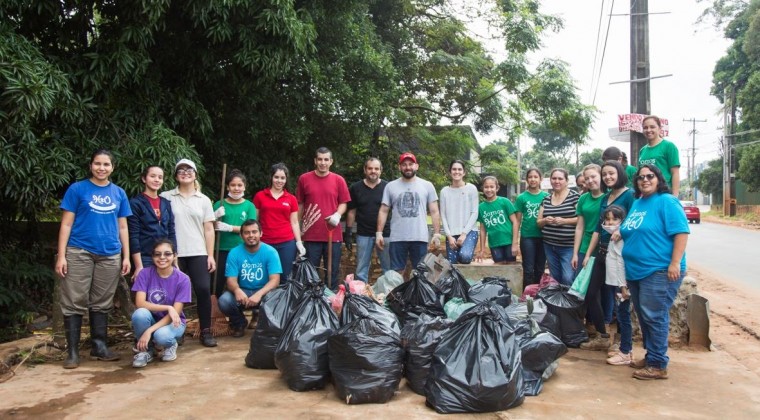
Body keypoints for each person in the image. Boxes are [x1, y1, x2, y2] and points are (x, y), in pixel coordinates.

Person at [55, 150, 132, 369]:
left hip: (110, 253)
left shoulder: (118, 193)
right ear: (90, 166)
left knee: (102, 301)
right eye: (97, 164)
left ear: (112, 167)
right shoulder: (77, 189)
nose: (101, 168)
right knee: (74, 300)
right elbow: (66, 224)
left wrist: (126, 256)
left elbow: (123, 226)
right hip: (79, 251)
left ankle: (100, 347)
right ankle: (72, 352)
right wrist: (62, 256)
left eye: (106, 164)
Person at [620, 164, 689, 380]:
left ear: (658, 178)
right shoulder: (639, 203)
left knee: (655, 316)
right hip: (636, 271)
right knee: (644, 316)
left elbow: (681, 232)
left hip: (659, 270)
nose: (645, 180)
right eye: (640, 177)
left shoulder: (666, 201)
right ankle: (652, 356)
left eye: (650, 176)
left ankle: (658, 364)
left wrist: (675, 263)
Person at [578, 161, 635, 353]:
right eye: (604, 175)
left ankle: (621, 339)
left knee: (620, 296)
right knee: (590, 293)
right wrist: (587, 255)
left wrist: (623, 231)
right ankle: (602, 336)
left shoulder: (630, 195)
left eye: (611, 173)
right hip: (601, 251)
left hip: (619, 253)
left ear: (619, 173)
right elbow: (596, 228)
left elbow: (635, 221)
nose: (607, 177)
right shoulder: (606, 197)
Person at [160, 159, 218, 348]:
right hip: (172, 253)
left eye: (189, 169)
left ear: (195, 174)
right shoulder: (166, 197)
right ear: (176, 175)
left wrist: (210, 255)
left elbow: (209, 229)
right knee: (173, 293)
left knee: (202, 289)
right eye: (180, 170)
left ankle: (206, 331)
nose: (185, 172)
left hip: (198, 251)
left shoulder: (204, 200)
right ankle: (175, 330)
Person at [376, 152, 441, 273]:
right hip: (397, 238)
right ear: (399, 167)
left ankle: (418, 293)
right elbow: (383, 211)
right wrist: (379, 233)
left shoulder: (427, 185)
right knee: (396, 272)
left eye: (411, 164)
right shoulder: (390, 186)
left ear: (416, 166)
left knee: (421, 272)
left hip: (420, 237)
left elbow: (434, 211)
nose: (408, 167)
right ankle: (399, 292)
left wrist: (437, 234)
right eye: (404, 164)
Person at [131, 239, 191, 368]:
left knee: (161, 335)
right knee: (139, 314)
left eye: (167, 254)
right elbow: (140, 303)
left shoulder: (183, 279)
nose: (162, 257)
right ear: (152, 257)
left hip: (173, 322)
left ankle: (171, 344)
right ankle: (146, 351)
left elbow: (174, 314)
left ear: (175, 256)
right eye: (157, 254)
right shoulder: (144, 274)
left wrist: (149, 331)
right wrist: (168, 307)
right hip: (151, 319)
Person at [296, 147, 351, 290]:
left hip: (333, 234)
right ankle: (311, 303)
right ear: (315, 161)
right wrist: (297, 229)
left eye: (326, 159)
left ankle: (331, 304)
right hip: (311, 235)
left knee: (332, 273)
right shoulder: (304, 179)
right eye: (320, 159)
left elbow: (344, 203)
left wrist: (337, 215)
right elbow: (300, 204)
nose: (322, 162)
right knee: (310, 273)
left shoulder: (339, 180)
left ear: (331, 161)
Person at [218, 220, 282, 337]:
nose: (251, 235)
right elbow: (230, 280)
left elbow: (275, 280)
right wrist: (237, 290)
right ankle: (239, 323)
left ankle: (265, 325)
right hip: (243, 291)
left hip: (264, 292)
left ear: (261, 233)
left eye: (254, 232)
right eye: (247, 233)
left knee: (279, 299)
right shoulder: (234, 253)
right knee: (224, 301)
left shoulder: (271, 252)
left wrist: (259, 294)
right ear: (241, 235)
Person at [254, 163, 304, 283]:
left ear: (286, 180)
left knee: (285, 276)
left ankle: (283, 301)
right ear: (271, 177)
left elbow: (295, 222)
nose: (279, 180)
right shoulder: (260, 196)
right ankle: (264, 301)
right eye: (276, 177)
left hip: (286, 243)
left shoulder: (291, 198)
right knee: (265, 275)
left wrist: (299, 242)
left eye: (282, 178)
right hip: (265, 242)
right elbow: (254, 221)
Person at [213, 169, 257, 297]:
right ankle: (216, 309)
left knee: (239, 281)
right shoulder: (219, 204)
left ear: (244, 186)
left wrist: (230, 228)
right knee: (217, 281)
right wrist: (214, 217)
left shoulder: (249, 206)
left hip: (241, 249)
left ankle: (237, 308)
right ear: (227, 186)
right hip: (220, 249)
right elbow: (209, 227)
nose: (236, 188)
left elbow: (251, 228)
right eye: (233, 185)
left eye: (239, 185)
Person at [346, 158, 391, 282]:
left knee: (388, 269)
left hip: (385, 234)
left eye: (376, 168)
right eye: (370, 168)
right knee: (361, 269)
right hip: (363, 234)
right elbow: (352, 211)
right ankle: (361, 298)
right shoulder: (356, 188)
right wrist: (348, 233)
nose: (373, 171)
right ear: (365, 170)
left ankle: (388, 296)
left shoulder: (388, 187)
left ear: (381, 171)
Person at [128, 165, 176, 281]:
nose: (157, 180)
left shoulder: (166, 203)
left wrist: (175, 261)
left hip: (165, 256)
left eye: (160, 177)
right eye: (152, 176)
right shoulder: (135, 203)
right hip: (145, 256)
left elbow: (171, 233)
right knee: (146, 293)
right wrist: (139, 266)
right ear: (144, 179)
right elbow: (133, 235)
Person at [600, 205, 633, 366]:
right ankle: (625, 350)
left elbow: (620, 262)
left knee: (624, 317)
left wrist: (623, 287)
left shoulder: (620, 239)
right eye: (608, 219)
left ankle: (626, 352)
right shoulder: (614, 237)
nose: (610, 222)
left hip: (621, 286)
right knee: (621, 315)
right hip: (616, 284)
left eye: (615, 219)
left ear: (622, 221)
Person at [537, 168, 578, 286]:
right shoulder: (546, 199)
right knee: (555, 279)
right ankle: (558, 303)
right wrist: (545, 220)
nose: (557, 181)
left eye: (560, 178)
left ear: (566, 181)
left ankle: (571, 303)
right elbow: (538, 223)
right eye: (554, 178)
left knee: (568, 278)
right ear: (550, 180)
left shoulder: (574, 197)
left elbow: (581, 220)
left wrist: (564, 221)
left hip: (568, 247)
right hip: (549, 246)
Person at [440, 160, 479, 264]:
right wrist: (448, 236)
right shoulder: (444, 191)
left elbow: (475, 212)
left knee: (464, 257)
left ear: (464, 172)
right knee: (451, 263)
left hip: (469, 232)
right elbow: (443, 215)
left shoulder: (471, 188)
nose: (456, 172)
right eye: (454, 169)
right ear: (450, 172)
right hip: (451, 234)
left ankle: (467, 251)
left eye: (459, 169)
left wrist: (464, 234)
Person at [515, 168, 549, 287]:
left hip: (544, 237)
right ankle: (527, 297)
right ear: (526, 179)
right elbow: (517, 221)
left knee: (540, 269)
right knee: (528, 269)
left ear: (541, 179)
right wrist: (515, 241)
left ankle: (538, 295)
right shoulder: (521, 197)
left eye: (536, 177)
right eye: (530, 177)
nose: (533, 179)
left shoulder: (547, 196)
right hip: (527, 237)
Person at [476, 176, 519, 264]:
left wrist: (515, 243)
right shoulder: (481, 207)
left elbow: (515, 222)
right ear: (483, 188)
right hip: (494, 244)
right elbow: (483, 230)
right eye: (486, 187)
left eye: (492, 187)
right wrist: (482, 249)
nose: (489, 189)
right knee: (499, 267)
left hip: (509, 241)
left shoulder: (505, 202)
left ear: (497, 188)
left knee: (511, 267)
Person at [572, 164, 604, 278]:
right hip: (585, 245)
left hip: (604, 246)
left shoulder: (610, 196)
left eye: (593, 176)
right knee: (581, 283)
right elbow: (579, 227)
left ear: (601, 176)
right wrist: (575, 253)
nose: (590, 181)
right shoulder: (583, 198)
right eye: (587, 179)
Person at [638, 115, 680, 196]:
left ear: (659, 129)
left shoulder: (669, 146)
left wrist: (674, 197)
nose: (648, 130)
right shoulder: (642, 150)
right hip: (647, 195)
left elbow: (675, 173)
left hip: (664, 193)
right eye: (645, 128)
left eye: (652, 127)